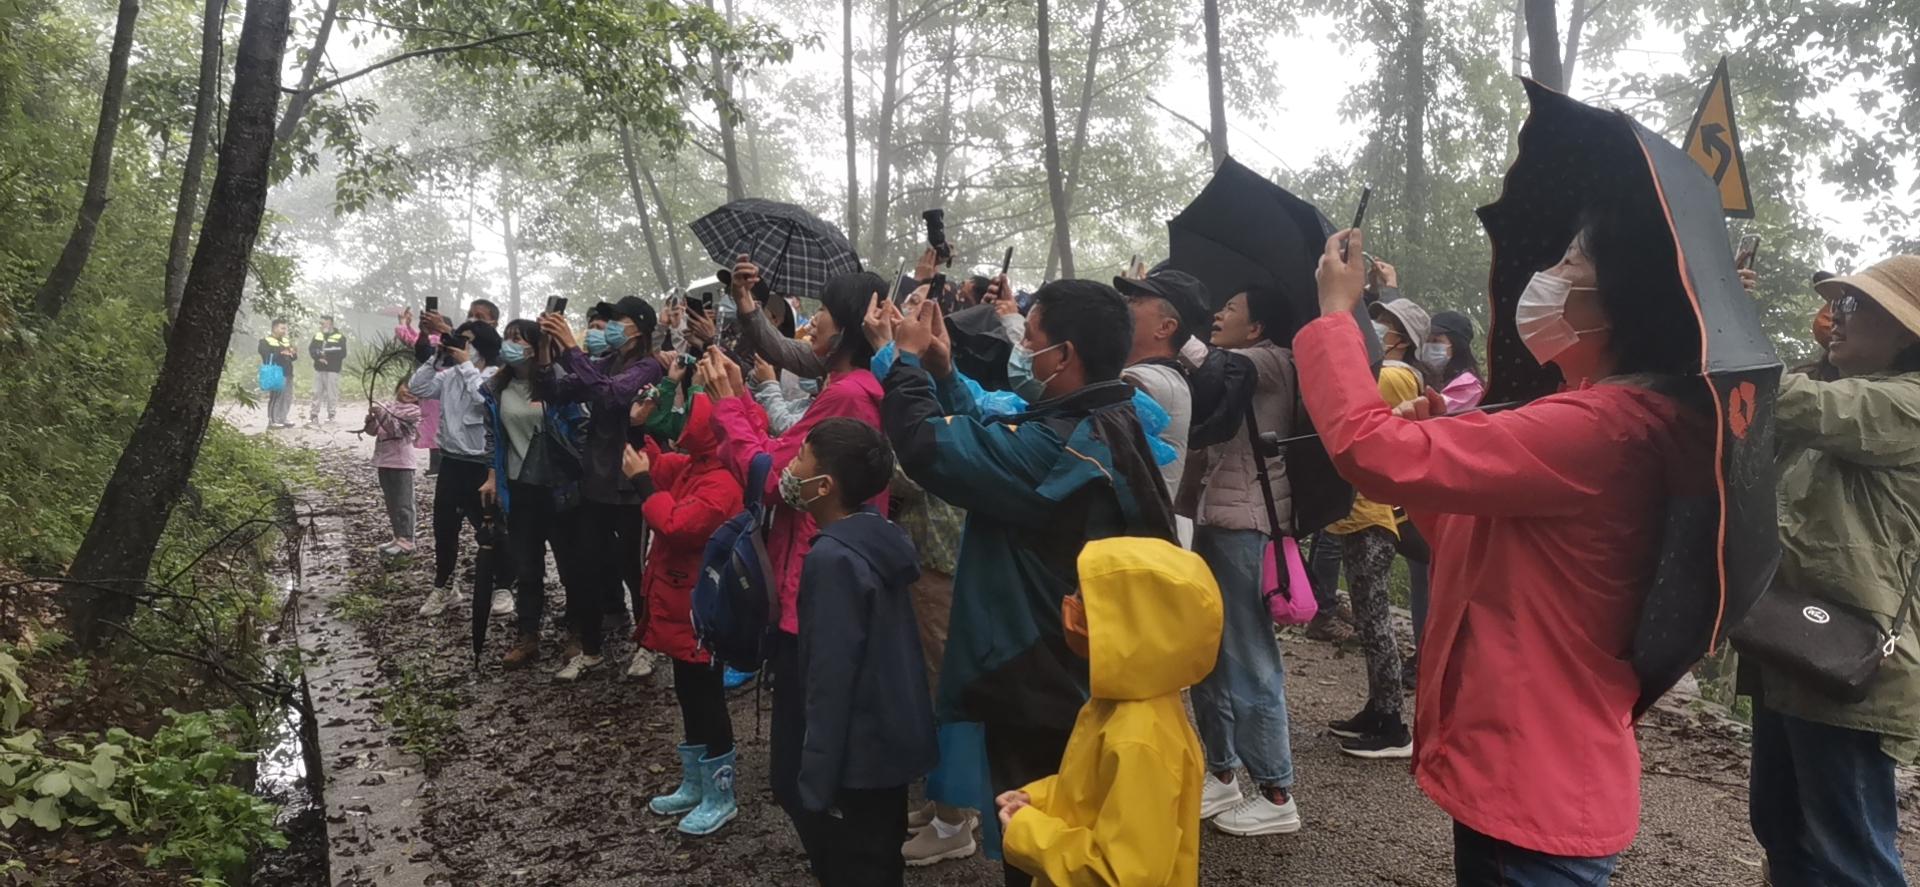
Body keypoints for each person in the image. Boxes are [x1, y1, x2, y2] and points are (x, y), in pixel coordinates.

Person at [1300, 211, 1712, 882]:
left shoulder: (1600, 427)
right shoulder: (1616, 416)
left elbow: (1367, 451)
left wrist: (1337, 315)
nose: (1547, 278)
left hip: (1537, 765)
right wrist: (1437, 469)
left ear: (1619, 297)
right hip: (1535, 756)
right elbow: (1490, 546)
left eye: (1571, 263)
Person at [878, 279, 1176, 887]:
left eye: (1032, 341)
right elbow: (999, 439)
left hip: (1036, 668)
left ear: (1063, 355)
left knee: (1036, 828)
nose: (1025, 352)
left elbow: (929, 446)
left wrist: (905, 363)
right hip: (1081, 661)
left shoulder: (1057, 446)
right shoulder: (1106, 416)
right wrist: (945, 373)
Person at [1746, 255, 1920, 887]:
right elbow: (1752, 429)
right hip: (1792, 646)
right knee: (1784, 832)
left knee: (1849, 856)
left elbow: (1797, 406)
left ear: (1906, 332)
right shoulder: (1838, 390)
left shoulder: (1906, 404)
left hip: (1852, 664)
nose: (1835, 318)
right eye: (1837, 305)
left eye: (1855, 306)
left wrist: (1720, 321)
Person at [704, 265, 890, 833]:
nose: (810, 325)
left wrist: (729, 403)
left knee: (800, 773)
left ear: (849, 328)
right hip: (806, 580)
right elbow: (782, 452)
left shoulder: (852, 397)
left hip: (812, 589)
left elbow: (773, 480)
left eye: (822, 314)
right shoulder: (841, 387)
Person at [997, 536, 1222, 887]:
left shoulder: (1138, 738)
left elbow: (1122, 875)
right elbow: (1092, 789)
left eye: (1088, 599)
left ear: (1136, 626)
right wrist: (1037, 798)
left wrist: (1028, 831)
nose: (1071, 603)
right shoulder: (1121, 700)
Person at [781, 417, 935, 887]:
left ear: (824, 485)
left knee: (856, 864)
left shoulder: (832, 560)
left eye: (801, 458)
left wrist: (816, 778)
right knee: (883, 854)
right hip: (889, 739)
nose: (790, 466)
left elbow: (830, 675)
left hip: (858, 752)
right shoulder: (877, 533)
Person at [1181, 285, 1304, 835]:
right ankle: (1223, 773)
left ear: (1256, 327)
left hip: (1247, 526)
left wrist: (1170, 323)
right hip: (1220, 519)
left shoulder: (1270, 362)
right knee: (1208, 652)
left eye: (1228, 310)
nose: (1217, 316)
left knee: (1249, 656)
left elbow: (1214, 367)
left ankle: (1277, 794)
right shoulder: (1239, 364)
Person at [622, 389, 745, 836]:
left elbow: (677, 525)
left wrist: (642, 485)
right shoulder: (697, 466)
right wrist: (636, 427)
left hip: (702, 613)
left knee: (707, 699)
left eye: (686, 416)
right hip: (680, 606)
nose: (679, 422)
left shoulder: (721, 483)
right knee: (688, 694)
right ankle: (695, 783)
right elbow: (656, 463)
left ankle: (721, 793)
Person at [1317, 296, 1429, 760]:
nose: (1375, 330)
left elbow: (1358, 394)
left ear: (1400, 338)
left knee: (1377, 619)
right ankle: (1376, 707)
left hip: (1373, 516)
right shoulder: (1387, 370)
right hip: (1357, 515)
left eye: (1382, 325)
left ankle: (1392, 726)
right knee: (1368, 618)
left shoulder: (1399, 375)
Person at [535, 296, 666, 680]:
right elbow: (555, 390)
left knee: (633, 569)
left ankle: (647, 644)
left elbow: (612, 393)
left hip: (629, 485)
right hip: (595, 483)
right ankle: (590, 649)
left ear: (638, 328)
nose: (608, 327)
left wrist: (573, 349)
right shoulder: (607, 362)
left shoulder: (648, 366)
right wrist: (547, 349)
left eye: (617, 320)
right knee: (586, 566)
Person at [484, 319, 592, 670]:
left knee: (571, 565)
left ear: (535, 345)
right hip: (520, 489)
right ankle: (527, 636)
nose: (510, 344)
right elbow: (494, 438)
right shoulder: (497, 388)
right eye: (507, 338)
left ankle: (578, 633)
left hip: (558, 489)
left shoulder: (555, 383)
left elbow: (580, 427)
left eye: (518, 339)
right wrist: (492, 478)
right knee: (527, 566)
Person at [408, 316, 517, 618]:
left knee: (492, 527)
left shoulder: (497, 374)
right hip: (452, 463)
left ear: (480, 346)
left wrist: (467, 365)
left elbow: (485, 398)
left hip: (484, 466)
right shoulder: (450, 375)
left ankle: (504, 586)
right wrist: (436, 358)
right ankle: (444, 586)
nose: (457, 345)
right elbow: (418, 387)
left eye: (463, 340)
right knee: (444, 527)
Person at [1115, 268, 1209, 499]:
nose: (1125, 305)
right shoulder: (1158, 376)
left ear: (1165, 328)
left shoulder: (1151, 381)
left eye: (1136, 301)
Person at [363, 380, 421, 555]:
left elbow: (396, 430)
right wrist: (371, 421)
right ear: (398, 387)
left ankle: (407, 539)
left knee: (404, 502)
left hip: (402, 463)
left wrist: (382, 414)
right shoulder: (388, 406)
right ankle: (398, 536)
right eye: (406, 386)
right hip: (384, 461)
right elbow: (375, 432)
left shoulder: (415, 412)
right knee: (391, 502)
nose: (409, 392)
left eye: (415, 390)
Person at [394, 309, 442, 476]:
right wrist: (407, 324)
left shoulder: (432, 341)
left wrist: (402, 323)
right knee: (438, 425)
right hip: (441, 389)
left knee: (432, 426)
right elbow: (415, 337)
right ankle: (437, 466)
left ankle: (436, 467)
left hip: (428, 389)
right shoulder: (443, 341)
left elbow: (409, 339)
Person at [1425, 310, 1485, 413]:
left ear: (1457, 345)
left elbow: (1432, 416)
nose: (1428, 346)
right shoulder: (1431, 377)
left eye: (1436, 341)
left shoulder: (1468, 388)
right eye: (1427, 341)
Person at [308, 315, 348, 425]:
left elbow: (342, 353)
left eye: (323, 323)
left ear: (330, 323)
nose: (321, 325)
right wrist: (318, 357)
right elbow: (311, 349)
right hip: (319, 368)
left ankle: (331, 415)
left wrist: (328, 357)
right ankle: (313, 415)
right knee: (316, 392)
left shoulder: (340, 337)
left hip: (333, 369)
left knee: (332, 393)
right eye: (320, 323)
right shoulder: (317, 335)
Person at [258, 318, 298, 429]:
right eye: (282, 328)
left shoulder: (286, 341)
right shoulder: (265, 341)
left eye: (285, 328)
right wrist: (281, 352)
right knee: (276, 397)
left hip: (288, 372)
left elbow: (294, 357)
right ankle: (273, 420)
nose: (284, 331)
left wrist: (292, 353)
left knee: (287, 396)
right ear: (275, 328)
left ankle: (283, 418)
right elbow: (265, 355)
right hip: (275, 372)